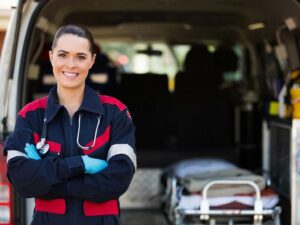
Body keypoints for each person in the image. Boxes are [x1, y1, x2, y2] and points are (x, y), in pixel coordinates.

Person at [4, 24, 137, 225]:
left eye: (80, 57)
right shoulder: (31, 115)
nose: (71, 64)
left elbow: (118, 179)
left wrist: (49, 179)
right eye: (63, 55)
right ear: (51, 57)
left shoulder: (115, 113)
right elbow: (22, 181)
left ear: (92, 60)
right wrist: (81, 165)